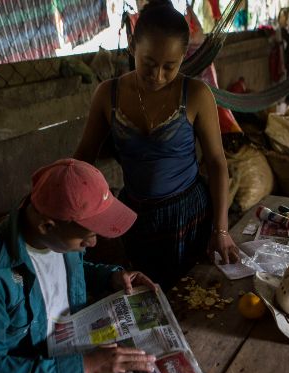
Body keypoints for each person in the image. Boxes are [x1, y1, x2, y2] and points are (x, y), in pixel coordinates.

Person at [0, 159, 159, 373]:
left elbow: (66, 272)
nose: (93, 243)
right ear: (46, 226)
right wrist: (87, 367)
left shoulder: (56, 238)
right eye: (87, 236)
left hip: (72, 346)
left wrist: (110, 277)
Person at [73, 0, 239, 289]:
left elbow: (216, 163)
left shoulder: (196, 94)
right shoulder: (108, 95)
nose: (157, 75)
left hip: (188, 215)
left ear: (183, 58)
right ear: (132, 46)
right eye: (148, 64)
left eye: (169, 67)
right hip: (137, 218)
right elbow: (83, 160)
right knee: (147, 289)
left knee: (193, 292)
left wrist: (221, 230)